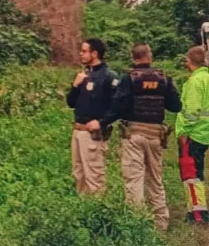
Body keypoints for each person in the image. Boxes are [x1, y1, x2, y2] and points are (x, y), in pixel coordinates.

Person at [100, 43, 181, 232]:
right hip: (155, 136)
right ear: (149, 56)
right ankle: (161, 223)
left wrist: (103, 122)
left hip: (133, 134)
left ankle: (137, 226)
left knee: (134, 180)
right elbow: (176, 106)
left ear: (132, 57)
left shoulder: (129, 79)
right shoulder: (163, 78)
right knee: (155, 179)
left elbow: (117, 107)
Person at [67, 38, 118, 195]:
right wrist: (75, 85)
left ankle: (98, 212)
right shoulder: (84, 75)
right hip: (78, 130)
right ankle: (83, 213)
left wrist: (102, 122)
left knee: (94, 177)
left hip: (93, 134)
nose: (81, 54)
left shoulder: (109, 76)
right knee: (78, 174)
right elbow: (70, 103)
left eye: (84, 51)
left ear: (94, 53)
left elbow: (117, 106)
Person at [178, 46, 209, 223]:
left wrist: (184, 131)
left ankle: (197, 213)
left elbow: (191, 110)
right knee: (197, 170)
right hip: (205, 132)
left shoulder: (195, 81)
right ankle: (199, 209)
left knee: (191, 173)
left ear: (189, 61)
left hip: (194, 134)